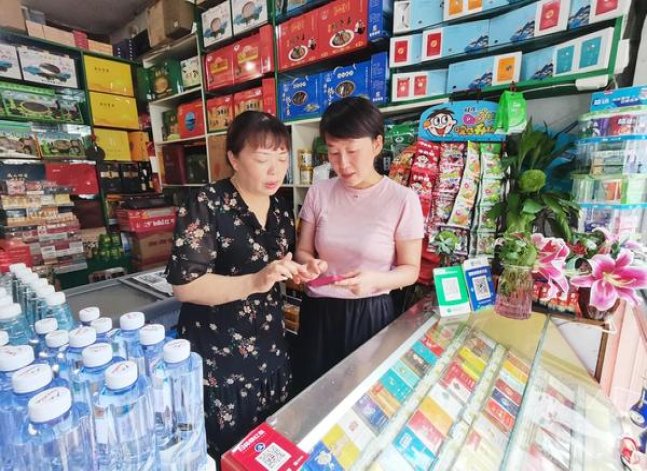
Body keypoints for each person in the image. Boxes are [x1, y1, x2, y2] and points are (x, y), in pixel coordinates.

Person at [166, 111, 315, 459]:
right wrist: (255, 281)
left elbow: (278, 264)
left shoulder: (279, 208)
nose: (275, 171)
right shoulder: (207, 203)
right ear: (234, 158)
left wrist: (300, 270)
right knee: (229, 452)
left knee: (268, 446)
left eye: (282, 159)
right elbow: (185, 287)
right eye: (262, 160)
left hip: (270, 347)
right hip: (220, 357)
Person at [293, 97, 425, 392]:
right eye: (333, 152)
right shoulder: (318, 193)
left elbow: (410, 269)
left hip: (370, 312)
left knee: (360, 395)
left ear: (377, 144)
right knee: (310, 394)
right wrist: (309, 263)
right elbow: (303, 250)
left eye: (352, 151)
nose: (343, 163)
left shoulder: (402, 200)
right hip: (318, 311)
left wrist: (375, 280)